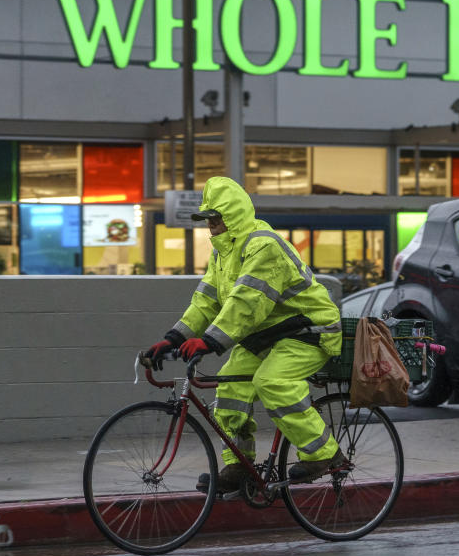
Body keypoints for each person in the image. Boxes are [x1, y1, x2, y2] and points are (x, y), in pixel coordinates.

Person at [145, 176, 344, 493]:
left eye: (215, 218)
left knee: (272, 382)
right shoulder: (223, 254)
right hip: (264, 338)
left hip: (308, 329)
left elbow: (247, 303)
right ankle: (240, 467)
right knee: (228, 392)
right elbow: (205, 302)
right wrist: (173, 338)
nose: (210, 225)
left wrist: (209, 341)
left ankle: (324, 453)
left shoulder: (262, 245)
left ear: (233, 214)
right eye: (207, 219)